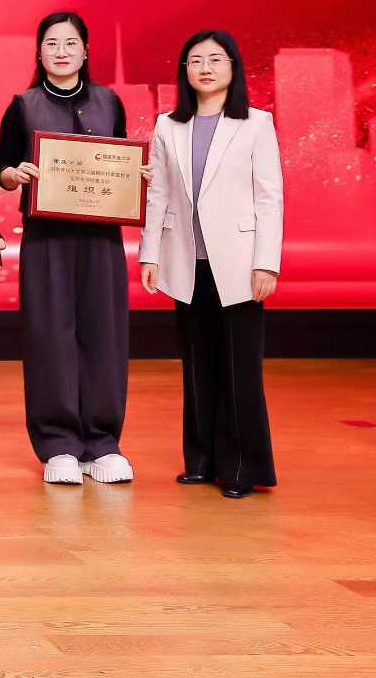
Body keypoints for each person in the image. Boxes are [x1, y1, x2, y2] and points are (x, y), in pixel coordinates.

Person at [0, 12, 152, 486]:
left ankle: (102, 443)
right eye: (51, 43)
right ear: (39, 52)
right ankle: (58, 444)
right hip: (47, 240)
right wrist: (15, 175)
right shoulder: (23, 106)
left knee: (104, 335)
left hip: (101, 238)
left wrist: (136, 176)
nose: (60, 51)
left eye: (70, 43)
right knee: (50, 336)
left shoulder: (109, 102)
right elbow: (1, 167)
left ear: (85, 51)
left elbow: (120, 159)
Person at [140, 30, 284, 499]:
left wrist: (266, 263)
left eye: (216, 59)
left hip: (240, 263)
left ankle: (242, 467)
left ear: (233, 68)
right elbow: (159, 193)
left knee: (240, 369)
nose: (205, 67)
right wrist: (150, 253)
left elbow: (270, 197)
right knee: (197, 365)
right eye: (196, 60)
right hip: (187, 260)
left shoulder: (256, 123)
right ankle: (200, 460)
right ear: (184, 70)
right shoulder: (168, 125)